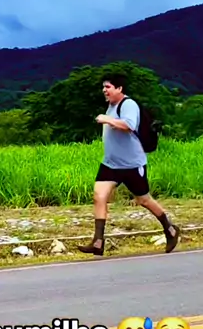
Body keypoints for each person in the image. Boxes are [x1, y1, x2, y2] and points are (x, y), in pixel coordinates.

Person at [77, 73, 180, 257]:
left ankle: (170, 229)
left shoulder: (128, 104)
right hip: (111, 164)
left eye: (108, 87)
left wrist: (106, 119)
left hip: (131, 165)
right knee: (99, 196)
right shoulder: (111, 106)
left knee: (144, 200)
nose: (104, 90)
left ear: (119, 88)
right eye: (103, 87)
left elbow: (129, 125)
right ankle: (98, 241)